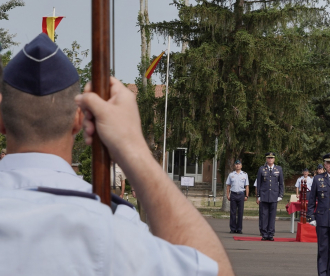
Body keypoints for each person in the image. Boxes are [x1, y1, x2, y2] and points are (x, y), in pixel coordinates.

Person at [0, 33, 233, 275]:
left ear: (1, 119)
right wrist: (134, 148)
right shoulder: (115, 225)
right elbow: (213, 269)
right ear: (78, 120)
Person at [256, 152, 284, 241]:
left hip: (274, 196)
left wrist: (280, 194)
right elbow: (259, 183)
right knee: (264, 215)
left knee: (272, 216)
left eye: (272, 158)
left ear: (274, 159)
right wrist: (258, 195)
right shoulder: (261, 169)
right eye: (268, 158)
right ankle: (264, 233)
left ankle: (271, 234)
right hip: (264, 195)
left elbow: (281, 183)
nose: (270, 159)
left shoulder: (278, 169)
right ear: (266, 159)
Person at [226, 160, 249, 234]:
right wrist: (227, 194)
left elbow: (247, 186)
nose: (237, 166)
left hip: (241, 194)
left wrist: (246, 195)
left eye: (239, 164)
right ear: (234, 166)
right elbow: (228, 186)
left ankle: (239, 229)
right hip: (233, 194)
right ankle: (232, 228)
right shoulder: (231, 174)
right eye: (236, 164)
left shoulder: (245, 174)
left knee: (240, 212)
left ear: (241, 166)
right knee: (233, 212)